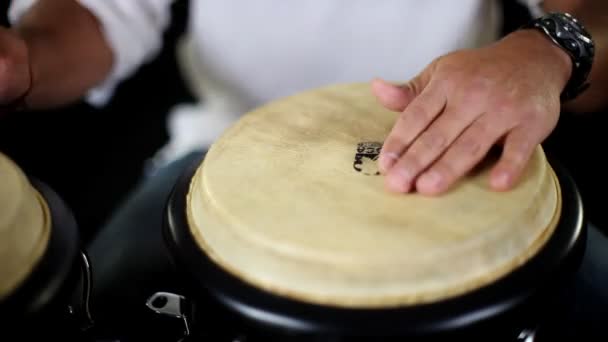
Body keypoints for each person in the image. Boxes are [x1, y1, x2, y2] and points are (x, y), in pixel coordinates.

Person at [1, 0, 607, 338]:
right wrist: (25, 61)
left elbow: (595, 22)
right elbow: (100, 13)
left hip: (465, 151)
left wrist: (549, 51)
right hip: (219, 149)